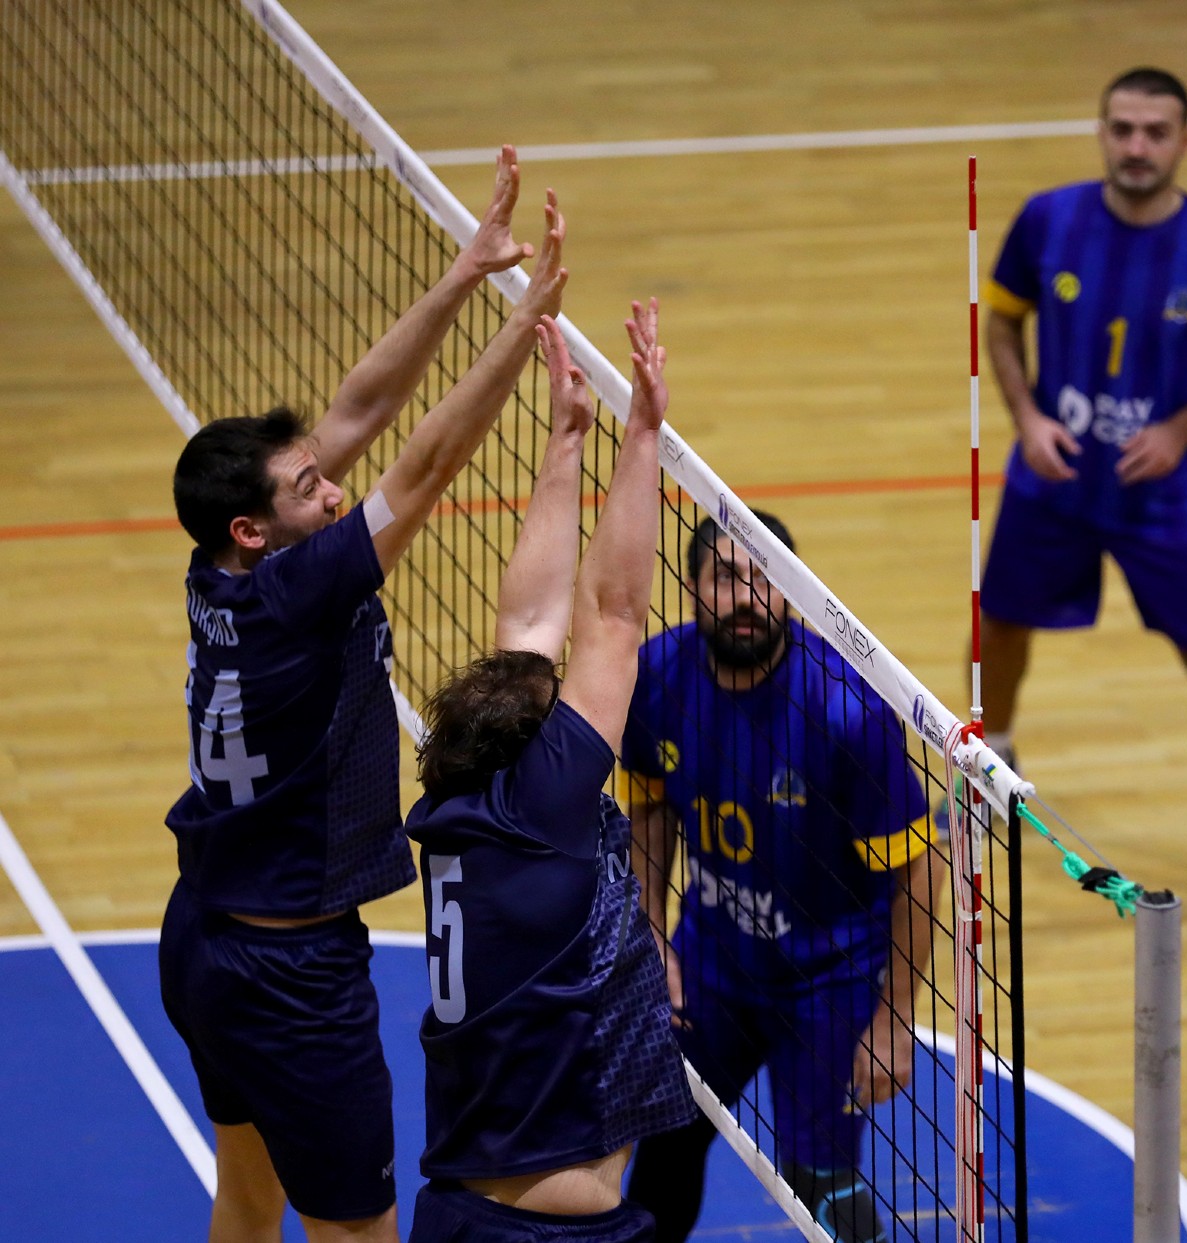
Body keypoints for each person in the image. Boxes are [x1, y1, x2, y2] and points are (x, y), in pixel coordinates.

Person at [158, 147, 564, 1243]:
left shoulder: (220, 570)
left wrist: (467, 272)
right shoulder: (298, 593)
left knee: (249, 1198)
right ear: (256, 529)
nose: (333, 490)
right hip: (291, 975)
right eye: (310, 488)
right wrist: (524, 326)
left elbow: (361, 406)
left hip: (202, 936)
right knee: (358, 1233)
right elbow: (423, 467)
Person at [978, 66, 1187, 909]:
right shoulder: (1047, 220)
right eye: (1121, 129)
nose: (1137, 147)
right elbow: (1002, 322)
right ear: (1101, 132)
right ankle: (993, 761)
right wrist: (1026, 416)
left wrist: (1181, 430)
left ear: (1186, 141)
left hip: (1165, 495)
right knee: (1000, 622)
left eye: (1156, 132)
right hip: (1053, 480)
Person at [406, 303, 693, 1241]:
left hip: (458, 1210)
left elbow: (527, 630)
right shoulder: (543, 813)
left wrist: (568, 439)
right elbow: (613, 615)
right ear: (545, 756)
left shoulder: (456, 801)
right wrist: (642, 433)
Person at [621, 509, 940, 1243]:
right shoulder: (657, 677)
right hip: (711, 961)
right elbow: (649, 810)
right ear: (693, 587)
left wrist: (893, 1019)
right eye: (726, 578)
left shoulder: (849, 712)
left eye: (766, 580)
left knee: (821, 1186)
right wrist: (651, 935)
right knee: (665, 1143)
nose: (747, 598)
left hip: (830, 980)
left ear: (791, 593)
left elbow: (920, 872)